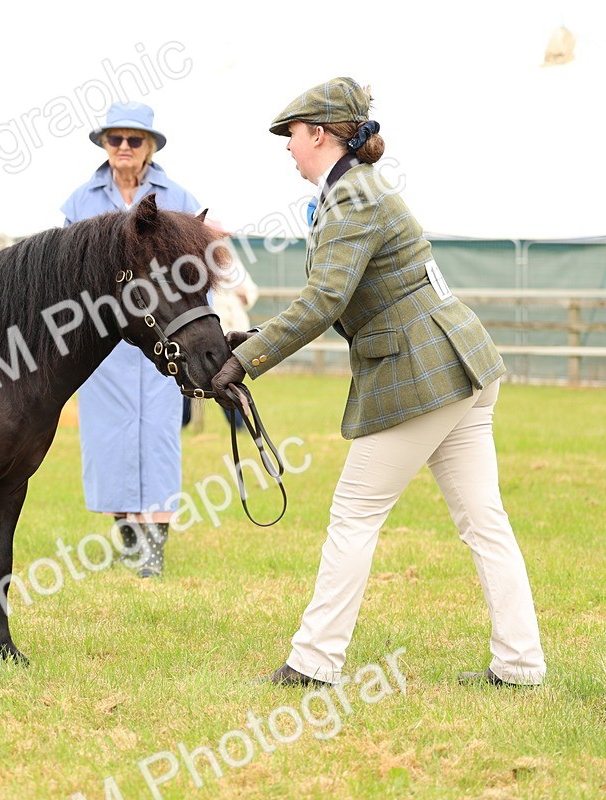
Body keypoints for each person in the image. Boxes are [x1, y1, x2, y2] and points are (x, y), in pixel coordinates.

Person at [210, 77, 545, 687]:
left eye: (292, 133)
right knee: (484, 521)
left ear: (321, 134)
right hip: (460, 362)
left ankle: (314, 663)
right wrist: (249, 342)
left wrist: (245, 359)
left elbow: (323, 300)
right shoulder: (354, 192)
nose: (287, 144)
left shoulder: (353, 199)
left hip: (425, 374)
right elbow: (334, 297)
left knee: (354, 515)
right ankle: (520, 665)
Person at [59, 101, 206, 579]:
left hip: (161, 335)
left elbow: (193, 263)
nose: (123, 148)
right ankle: (126, 535)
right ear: (104, 145)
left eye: (134, 140)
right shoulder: (80, 201)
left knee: (160, 437)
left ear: (149, 148)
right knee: (109, 441)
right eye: (115, 139)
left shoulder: (177, 195)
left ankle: (155, 549)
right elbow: (64, 271)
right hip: (102, 342)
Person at [210, 265, 259, 428]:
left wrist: (243, 294)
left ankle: (238, 421)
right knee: (219, 376)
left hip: (236, 330)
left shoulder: (233, 266)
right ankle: (238, 421)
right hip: (217, 331)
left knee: (226, 377)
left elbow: (251, 291)